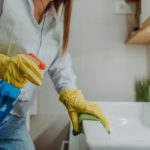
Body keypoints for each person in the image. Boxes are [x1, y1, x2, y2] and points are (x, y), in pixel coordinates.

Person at [0, 0, 110, 149]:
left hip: (14, 121)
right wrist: (3, 64)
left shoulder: (56, 25)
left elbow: (62, 69)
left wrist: (72, 97)